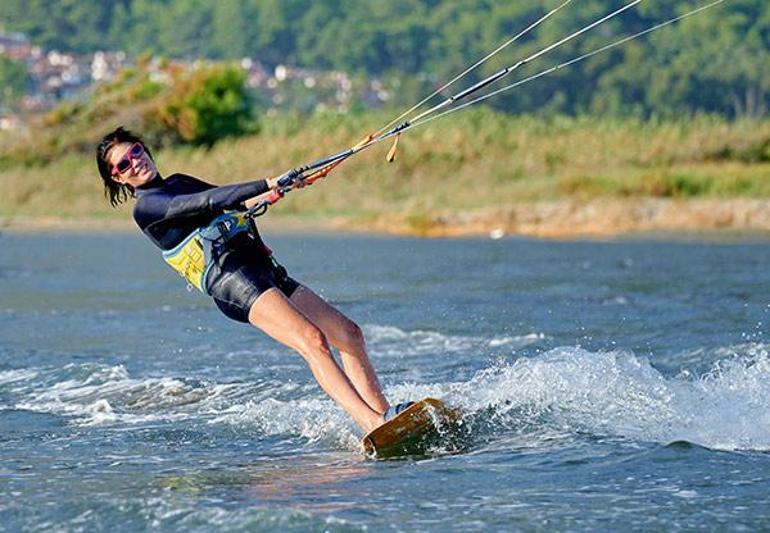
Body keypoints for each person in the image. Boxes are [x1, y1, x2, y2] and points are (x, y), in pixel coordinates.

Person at [96, 127, 412, 433]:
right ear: (118, 176)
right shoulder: (146, 208)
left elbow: (234, 204)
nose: (135, 161)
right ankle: (370, 423)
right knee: (312, 340)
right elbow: (208, 202)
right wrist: (267, 181)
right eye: (124, 163)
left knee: (349, 334)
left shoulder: (178, 181)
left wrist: (279, 189)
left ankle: (387, 419)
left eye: (136, 150)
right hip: (231, 280)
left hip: (261, 267)